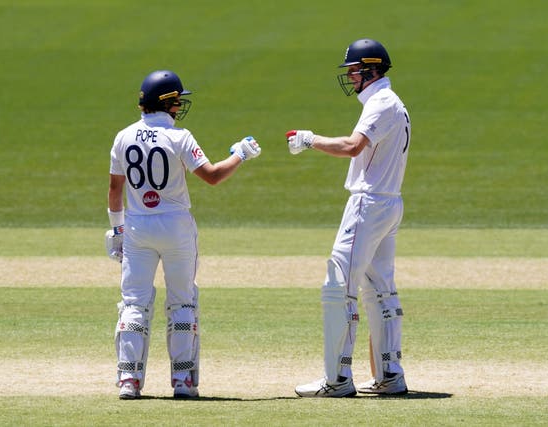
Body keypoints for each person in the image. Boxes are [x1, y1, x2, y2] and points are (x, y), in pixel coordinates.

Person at [106, 69, 261, 400]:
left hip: (137, 227)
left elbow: (114, 188)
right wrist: (241, 154)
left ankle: (129, 382)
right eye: (177, 100)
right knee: (182, 302)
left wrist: (117, 229)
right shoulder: (180, 137)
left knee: (134, 303)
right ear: (167, 102)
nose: (180, 105)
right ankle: (183, 382)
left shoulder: (123, 137)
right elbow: (213, 176)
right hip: (176, 228)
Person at [287, 38, 411, 397]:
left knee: (339, 286)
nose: (351, 77)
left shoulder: (381, 103)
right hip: (389, 203)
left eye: (354, 70)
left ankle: (337, 379)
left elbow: (352, 146)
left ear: (371, 69)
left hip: (368, 204)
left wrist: (310, 139)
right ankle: (391, 375)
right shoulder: (393, 102)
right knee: (380, 290)